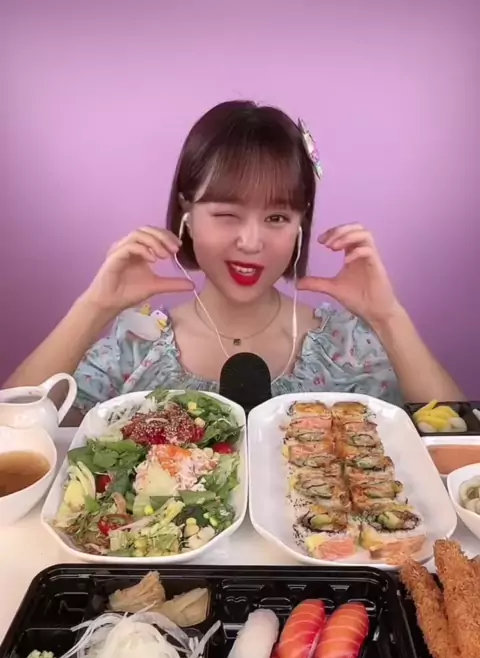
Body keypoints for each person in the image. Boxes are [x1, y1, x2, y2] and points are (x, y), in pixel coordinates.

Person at [6, 100, 463, 420]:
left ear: (301, 224)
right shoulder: (135, 348)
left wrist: (388, 317)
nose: (250, 242)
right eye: (226, 214)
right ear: (187, 214)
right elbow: (11, 438)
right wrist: (94, 307)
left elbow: (462, 452)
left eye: (277, 217)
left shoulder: (348, 348)